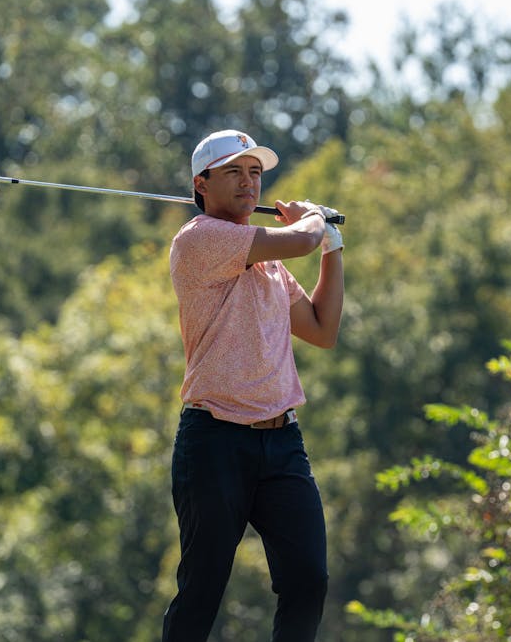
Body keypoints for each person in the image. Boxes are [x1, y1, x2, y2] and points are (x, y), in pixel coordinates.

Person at [162, 129, 344, 642]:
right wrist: (314, 221)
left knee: (309, 578)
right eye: (234, 173)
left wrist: (333, 244)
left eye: (256, 173)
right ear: (202, 184)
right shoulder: (199, 238)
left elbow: (322, 330)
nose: (249, 184)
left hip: (281, 441)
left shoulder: (267, 262)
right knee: (201, 590)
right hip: (215, 440)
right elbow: (303, 239)